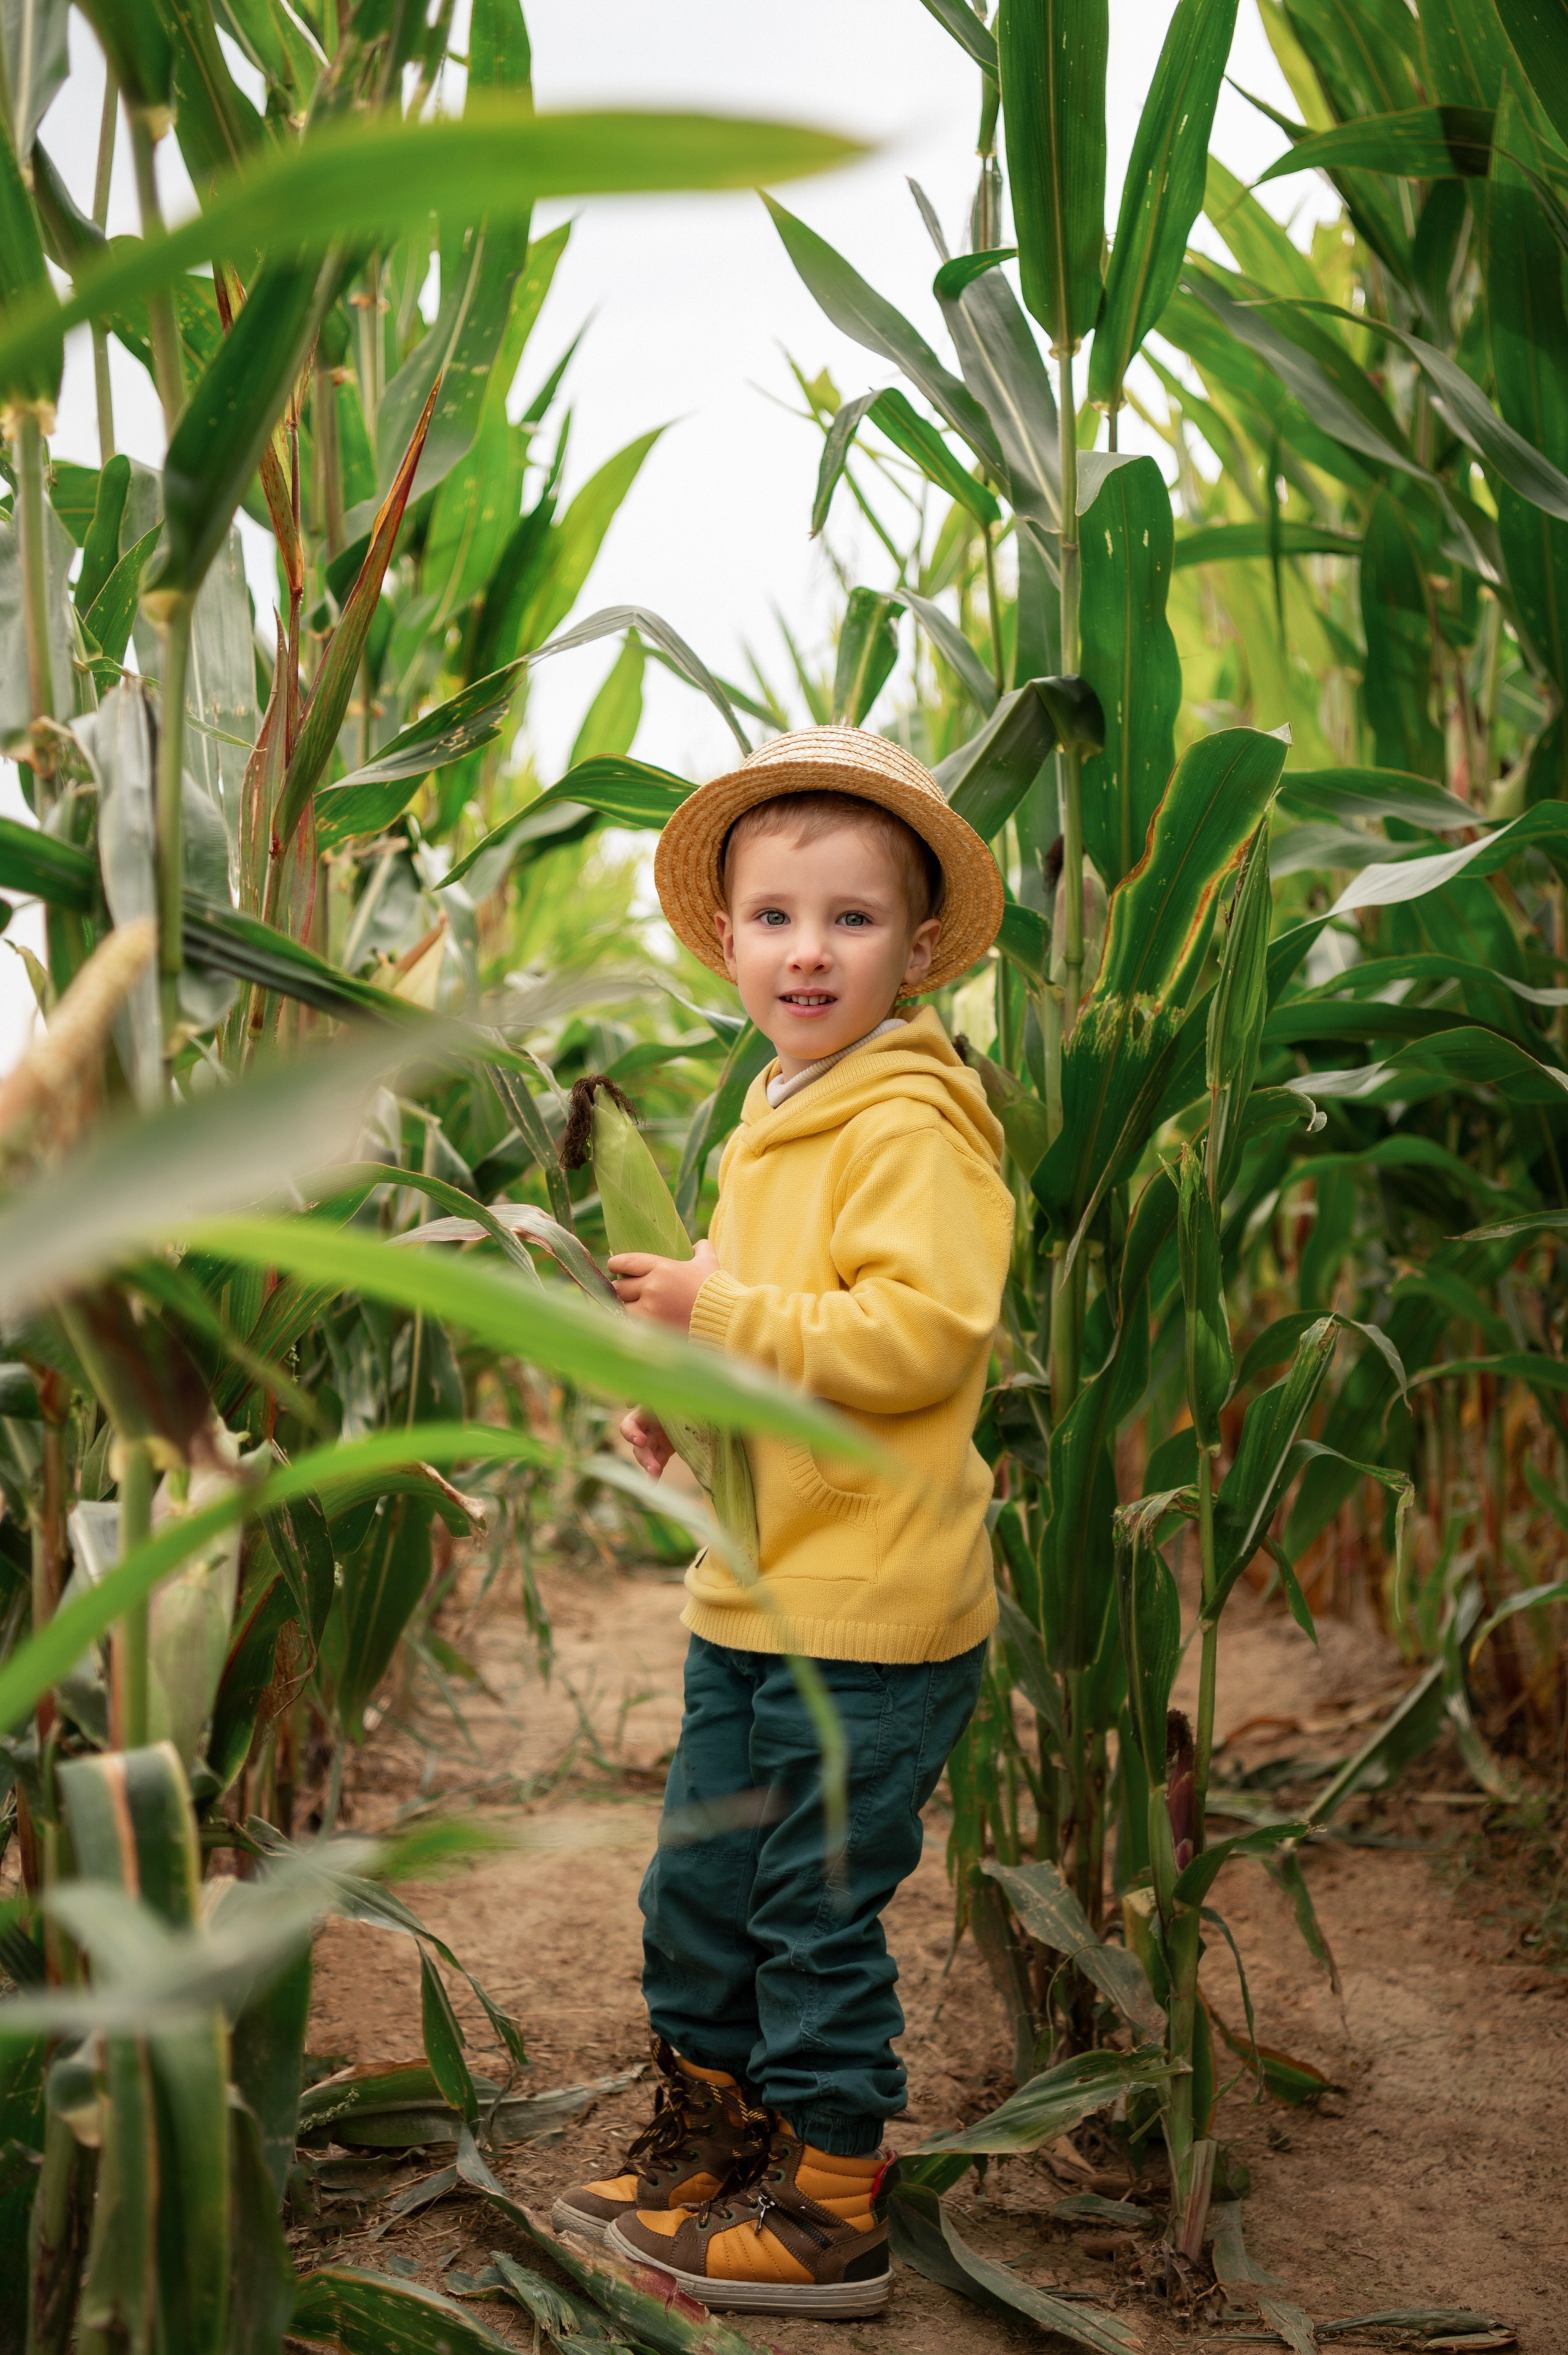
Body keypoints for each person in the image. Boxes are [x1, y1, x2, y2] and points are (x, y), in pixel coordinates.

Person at [551, 726, 1012, 2318]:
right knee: (699, 1891)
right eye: (774, 917)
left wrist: (717, 1310)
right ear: (726, 936)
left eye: (852, 918)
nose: (808, 949)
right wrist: (689, 1397)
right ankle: (713, 2141)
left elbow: (920, 1339)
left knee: (813, 1916)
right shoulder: (780, 1110)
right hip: (757, 1590)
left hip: (869, 1615)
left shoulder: (909, 1125)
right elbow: (781, 1332)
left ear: (920, 948)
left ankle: (829, 2211)